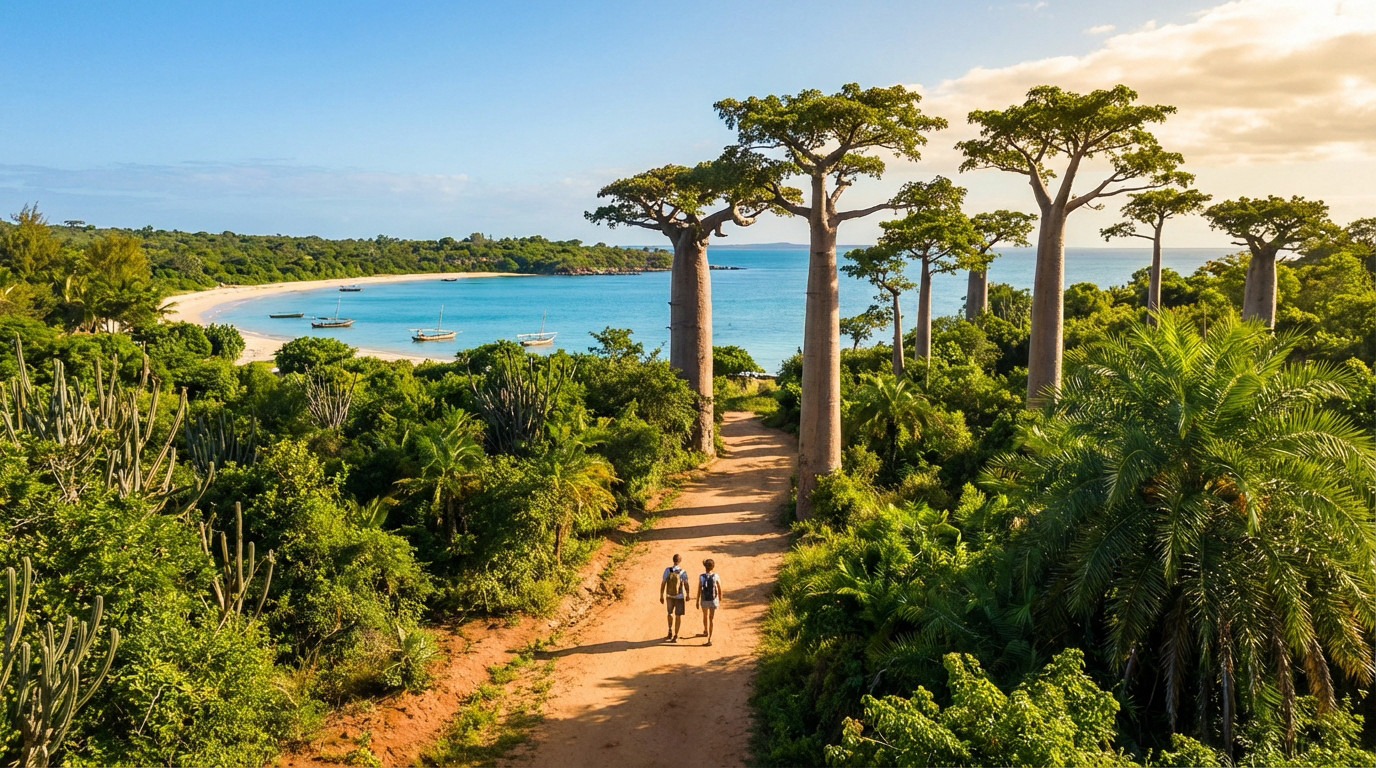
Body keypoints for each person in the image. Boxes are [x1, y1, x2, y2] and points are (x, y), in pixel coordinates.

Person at [659, 553, 689, 642]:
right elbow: (686, 584)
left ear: (673, 560)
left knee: (669, 613)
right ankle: (676, 635)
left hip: (669, 595)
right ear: (680, 561)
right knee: (678, 616)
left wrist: (661, 595)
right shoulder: (683, 572)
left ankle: (669, 629)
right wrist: (688, 594)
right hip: (679, 596)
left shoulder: (667, 570)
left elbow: (663, 582)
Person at [696, 558, 723, 646]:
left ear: (705, 567)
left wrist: (697, 600)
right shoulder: (716, 576)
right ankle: (710, 639)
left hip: (704, 600)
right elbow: (719, 588)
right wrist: (720, 599)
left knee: (705, 615)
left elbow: (699, 589)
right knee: (711, 619)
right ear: (713, 567)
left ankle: (705, 631)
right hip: (713, 600)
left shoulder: (701, 576)